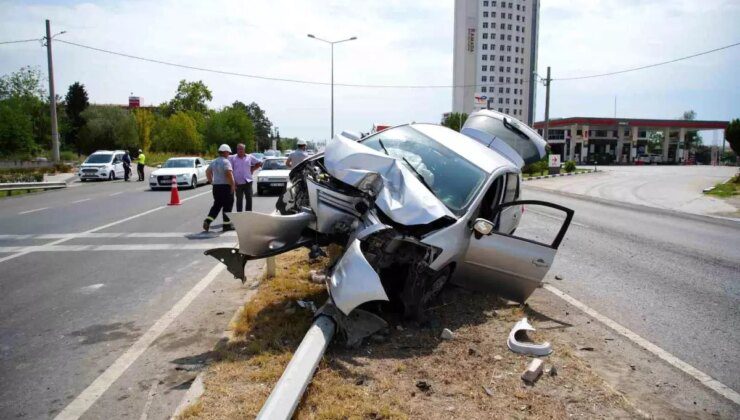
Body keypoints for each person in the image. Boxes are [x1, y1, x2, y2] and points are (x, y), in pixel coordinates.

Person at [203, 144, 236, 232]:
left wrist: (211, 181)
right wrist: (232, 185)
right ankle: (226, 225)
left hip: (216, 187)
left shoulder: (214, 162)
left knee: (217, 205)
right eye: (228, 153)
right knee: (227, 206)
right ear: (225, 152)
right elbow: (229, 174)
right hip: (225, 187)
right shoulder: (226, 162)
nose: (228, 154)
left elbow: (207, 171)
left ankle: (208, 221)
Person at [229, 143, 262, 212]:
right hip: (238, 183)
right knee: (239, 200)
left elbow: (259, 163)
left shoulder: (249, 157)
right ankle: (240, 215)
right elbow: (230, 170)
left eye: (241, 149)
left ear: (244, 150)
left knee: (249, 199)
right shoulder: (233, 158)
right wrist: (233, 182)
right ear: (237, 150)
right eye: (238, 149)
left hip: (248, 182)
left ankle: (248, 214)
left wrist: (252, 169)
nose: (240, 150)